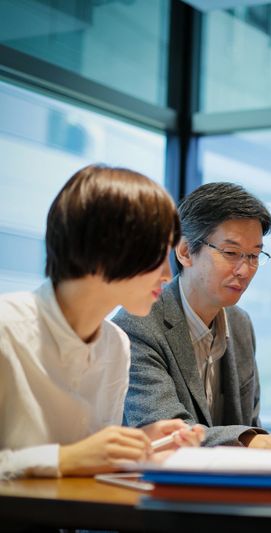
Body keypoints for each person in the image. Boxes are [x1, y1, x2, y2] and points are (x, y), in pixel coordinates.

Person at [0, 164, 204, 480]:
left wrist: (142, 447)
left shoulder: (115, 344)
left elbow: (88, 463)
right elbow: (72, 459)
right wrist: (64, 458)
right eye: (157, 251)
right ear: (105, 247)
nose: (167, 274)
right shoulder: (6, 328)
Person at [115, 182, 271, 450]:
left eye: (254, 255)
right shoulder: (136, 326)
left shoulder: (240, 324)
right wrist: (266, 444)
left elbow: (249, 421)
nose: (245, 270)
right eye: (231, 253)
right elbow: (167, 437)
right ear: (186, 252)